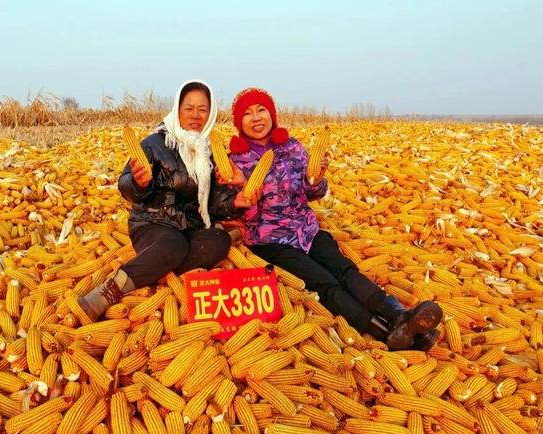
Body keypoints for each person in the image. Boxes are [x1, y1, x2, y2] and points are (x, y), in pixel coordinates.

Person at [226, 87, 442, 351]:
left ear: (272, 115)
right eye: (247, 114)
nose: (256, 118)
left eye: (261, 110)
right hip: (270, 240)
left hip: (305, 229)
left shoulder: (292, 148)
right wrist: (244, 196)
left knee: (345, 270)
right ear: (239, 123)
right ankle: (385, 333)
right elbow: (231, 210)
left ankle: (399, 315)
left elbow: (313, 192)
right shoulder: (234, 162)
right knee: (325, 283)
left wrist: (316, 180)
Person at [78, 80, 258, 320]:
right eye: (189, 108)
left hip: (190, 228)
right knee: (173, 245)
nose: (195, 115)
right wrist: (140, 183)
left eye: (202, 109)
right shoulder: (153, 144)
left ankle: (154, 271)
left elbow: (213, 202)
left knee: (219, 241)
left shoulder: (209, 152)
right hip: (152, 224)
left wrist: (235, 203)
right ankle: (113, 287)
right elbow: (125, 185)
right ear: (177, 109)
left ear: (211, 113)